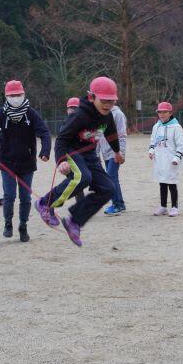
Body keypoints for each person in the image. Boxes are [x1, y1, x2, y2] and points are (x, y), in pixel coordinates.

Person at [35, 76, 124, 247]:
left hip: (90, 155)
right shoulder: (80, 115)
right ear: (92, 97)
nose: (108, 105)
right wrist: (61, 160)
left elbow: (111, 134)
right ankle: (45, 203)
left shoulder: (107, 116)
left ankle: (74, 221)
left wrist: (117, 152)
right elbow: (61, 139)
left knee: (108, 188)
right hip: (72, 151)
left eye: (111, 101)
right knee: (83, 177)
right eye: (104, 101)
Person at [0, 80, 51, 242]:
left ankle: (23, 225)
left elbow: (44, 132)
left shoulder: (31, 113)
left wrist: (45, 151)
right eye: (12, 95)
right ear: (6, 96)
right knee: (9, 195)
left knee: (25, 197)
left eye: (18, 95)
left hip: (27, 163)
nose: (15, 98)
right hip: (7, 162)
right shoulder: (1, 113)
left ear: (23, 94)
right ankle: (8, 223)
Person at [148, 102, 183, 217]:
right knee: (162, 183)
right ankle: (163, 206)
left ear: (170, 113)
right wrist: (151, 151)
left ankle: (174, 207)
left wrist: (177, 158)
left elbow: (181, 145)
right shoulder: (156, 126)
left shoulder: (176, 127)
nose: (162, 114)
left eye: (165, 112)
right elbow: (153, 141)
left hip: (171, 160)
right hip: (159, 160)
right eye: (160, 112)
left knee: (172, 183)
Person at [99, 103, 128, 215]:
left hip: (115, 152)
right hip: (105, 152)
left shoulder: (118, 114)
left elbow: (122, 135)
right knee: (113, 178)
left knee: (110, 178)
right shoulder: (101, 115)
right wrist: (96, 154)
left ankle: (117, 205)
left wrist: (121, 153)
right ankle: (120, 204)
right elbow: (98, 135)